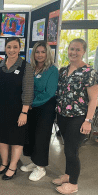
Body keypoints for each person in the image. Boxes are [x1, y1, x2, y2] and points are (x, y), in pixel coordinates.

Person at [53, 38, 98, 194]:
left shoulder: (89, 72)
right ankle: (67, 175)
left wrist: (88, 121)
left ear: (84, 51)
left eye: (78, 49)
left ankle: (73, 184)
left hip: (78, 117)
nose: (74, 52)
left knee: (72, 150)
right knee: (67, 148)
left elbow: (94, 99)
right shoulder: (64, 71)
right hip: (63, 116)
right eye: (72, 49)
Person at [0, 37, 34, 180]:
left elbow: (28, 91)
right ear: (5, 48)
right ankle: (4, 163)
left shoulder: (26, 66)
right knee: (2, 137)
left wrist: (24, 112)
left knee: (16, 138)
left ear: (19, 48)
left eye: (15, 47)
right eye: (9, 47)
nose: (12, 50)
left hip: (18, 109)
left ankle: (13, 166)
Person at [20, 41, 58, 181]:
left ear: (47, 53)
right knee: (31, 136)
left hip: (45, 108)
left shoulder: (52, 70)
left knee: (41, 137)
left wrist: (30, 103)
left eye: (43, 52)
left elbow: (49, 93)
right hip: (31, 107)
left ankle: (41, 168)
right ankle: (34, 162)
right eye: (37, 52)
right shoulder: (31, 68)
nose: (40, 54)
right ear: (33, 53)